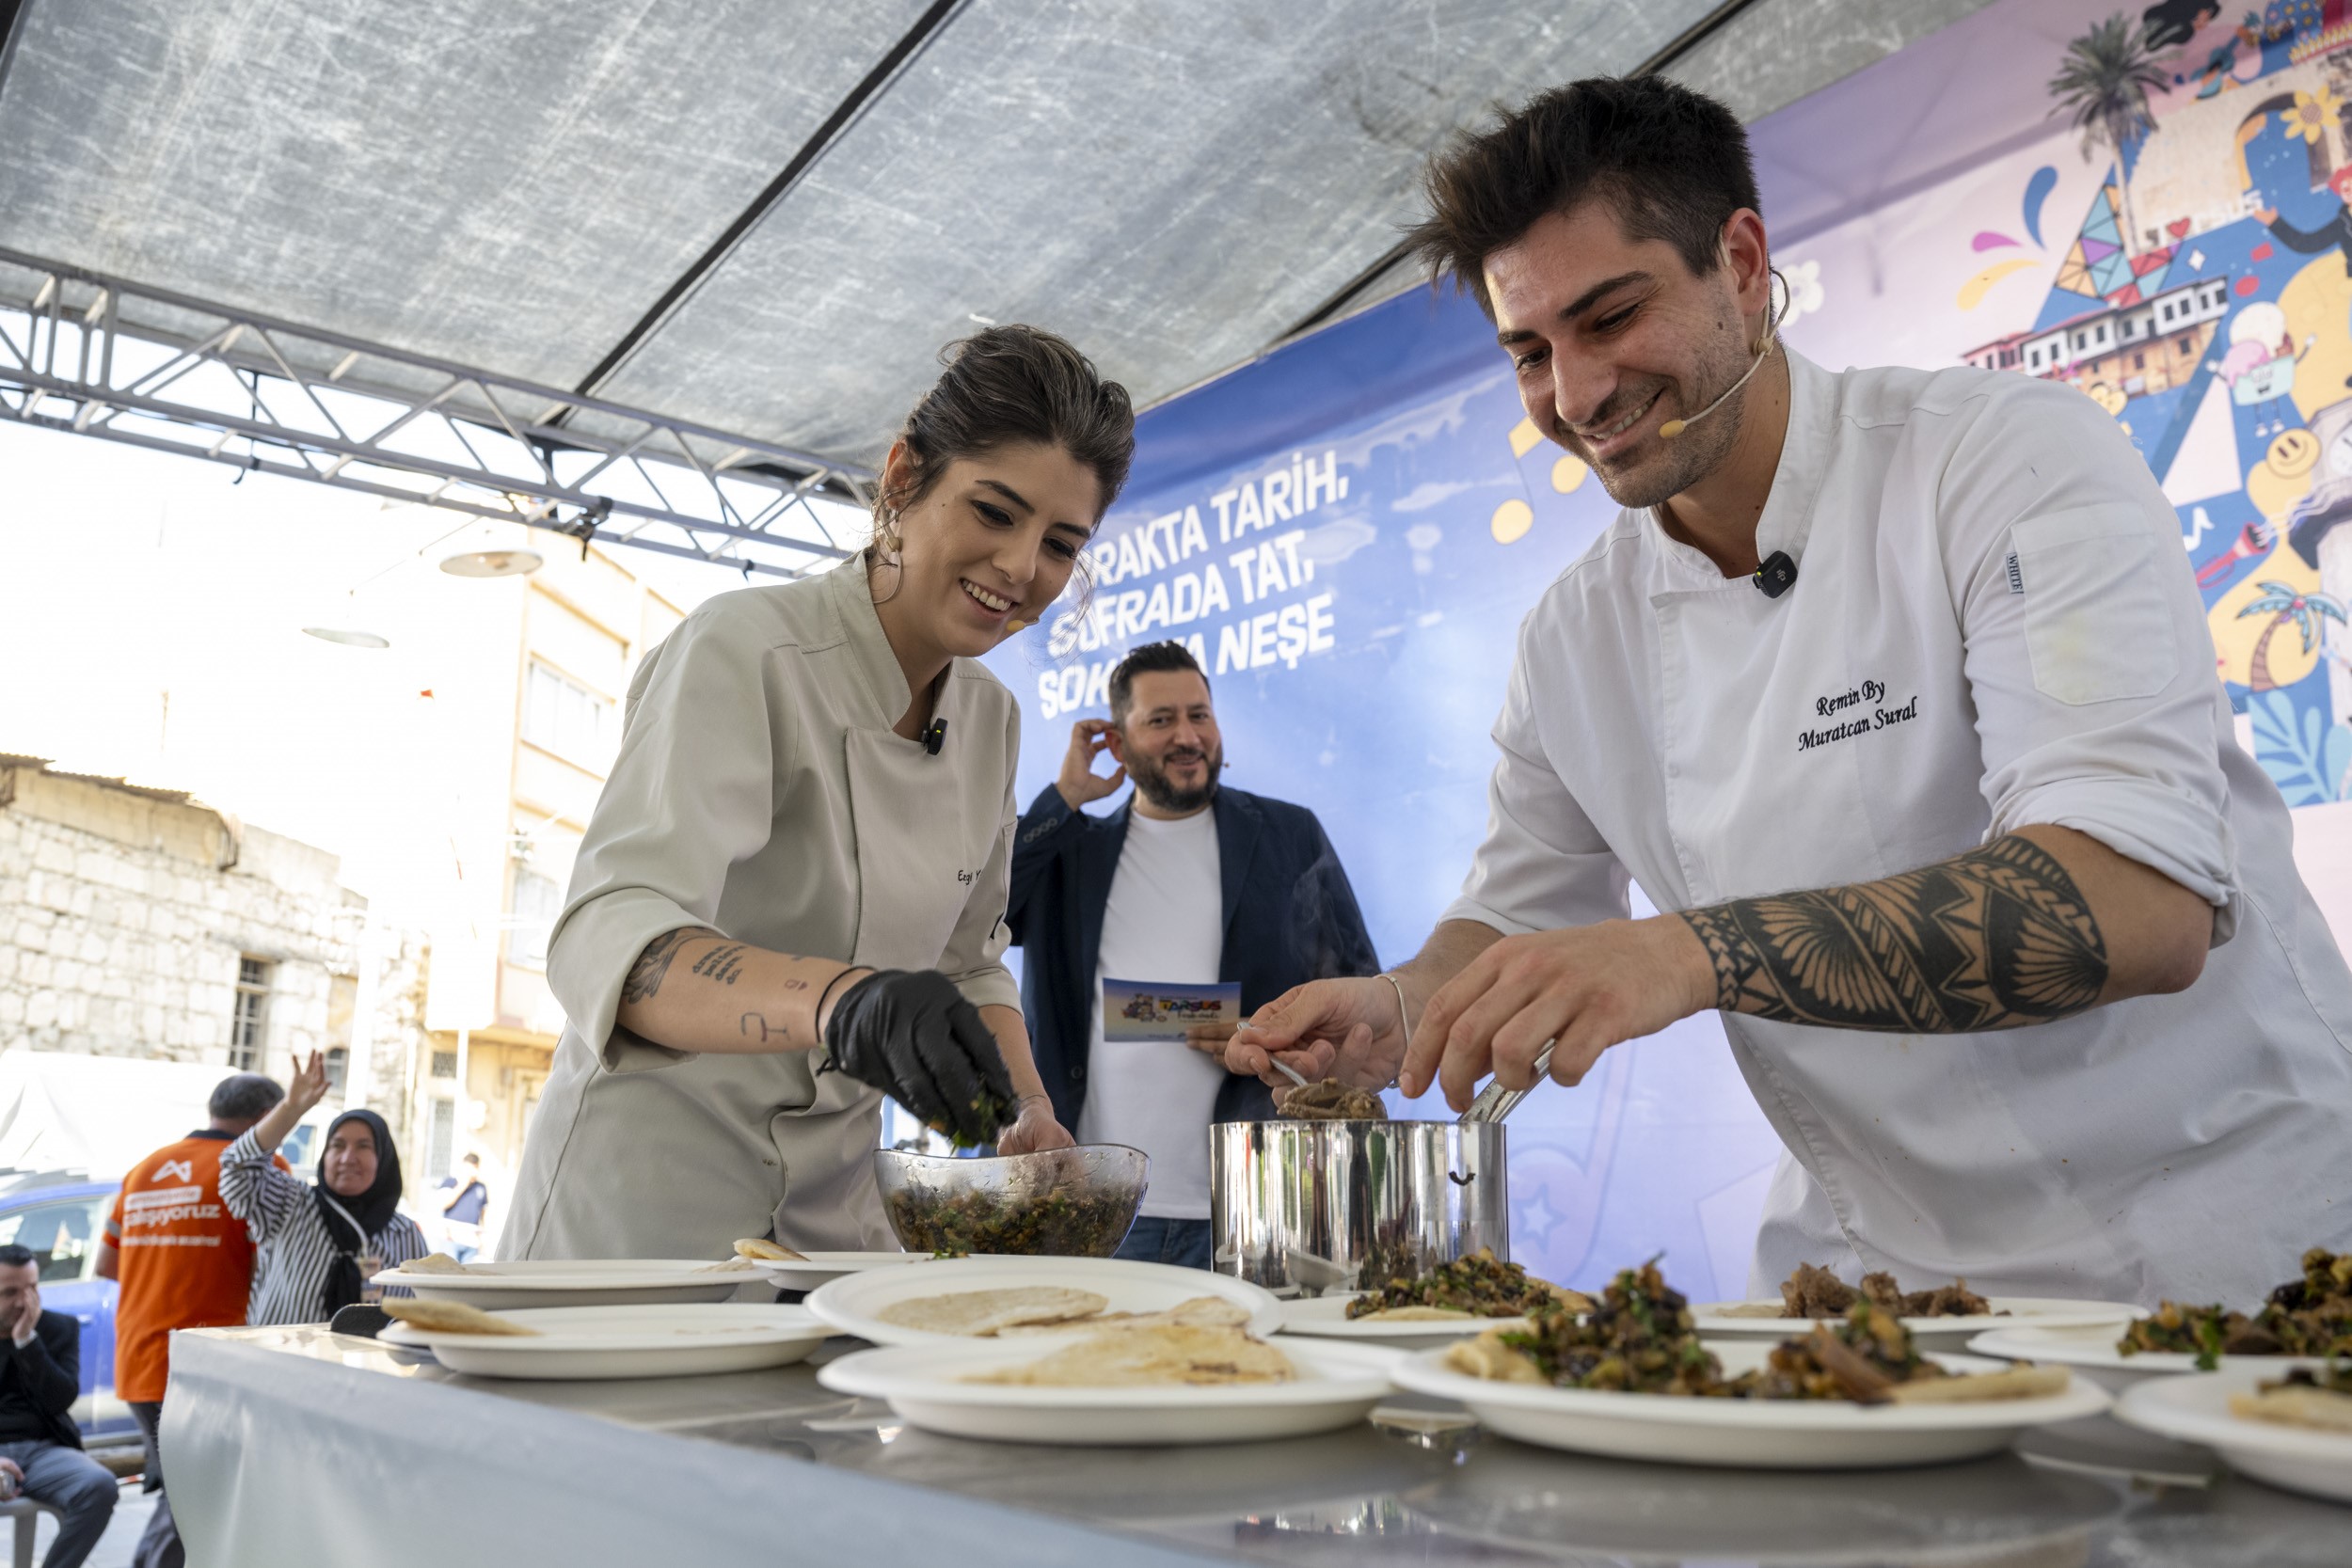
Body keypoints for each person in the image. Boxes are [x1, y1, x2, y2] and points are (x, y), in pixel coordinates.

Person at [1232, 75, 2352, 1307]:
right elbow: (1514, 917)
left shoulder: (2001, 460)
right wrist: (1405, 1004)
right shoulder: (1574, 638)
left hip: (2227, 1246)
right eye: (1531, 352)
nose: (1577, 393)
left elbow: (2135, 902)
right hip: (1887, 1278)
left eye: (1612, 315)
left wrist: (1691, 952)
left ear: (1742, 261)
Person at [501, 326, 1136, 1260]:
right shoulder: (747, 648)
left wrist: (1026, 1111)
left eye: (1059, 544)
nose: (1019, 565)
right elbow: (612, 939)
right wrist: (841, 1001)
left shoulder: (990, 718)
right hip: (641, 1219)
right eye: (994, 511)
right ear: (903, 478)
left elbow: (968, 964)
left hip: (835, 1232)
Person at [1007, 641, 1378, 1267]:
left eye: (1199, 715)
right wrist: (1064, 796)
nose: (1187, 736)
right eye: (1161, 720)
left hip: (1256, 1204)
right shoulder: (1072, 851)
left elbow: (1358, 987)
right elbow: (980, 914)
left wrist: (1264, 1030)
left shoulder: (1289, 835)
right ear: (1117, 742)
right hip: (1094, 1207)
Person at [95, 1072, 287, 1568]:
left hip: (138, 1359)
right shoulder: (258, 1168)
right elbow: (277, 1266)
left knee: (183, 1496)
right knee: (191, 1501)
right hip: (205, 1363)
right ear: (268, 1118)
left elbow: (107, 1265)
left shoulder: (144, 1170)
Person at [220, 1052, 427, 1324]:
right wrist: (290, 1109)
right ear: (324, 1155)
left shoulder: (405, 1234)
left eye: (363, 1146)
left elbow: (421, 1314)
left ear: (383, 1159)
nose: (347, 1158)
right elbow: (237, 1165)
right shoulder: (290, 1203)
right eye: (337, 1145)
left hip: (370, 1354)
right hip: (279, 1352)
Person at [0, 1245, 116, 1568]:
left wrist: (27, 1341)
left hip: (43, 1451)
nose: (24, 1302)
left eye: (32, 1289)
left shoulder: (58, 1328)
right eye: (9, 1293)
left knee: (99, 1486)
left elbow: (60, 1399)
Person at [437, 1153, 489, 1263]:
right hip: (451, 1240)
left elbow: (483, 1215)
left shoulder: (480, 1187)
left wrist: (483, 1241)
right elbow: (444, 1203)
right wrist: (464, 1182)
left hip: (471, 1243)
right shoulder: (450, 1182)